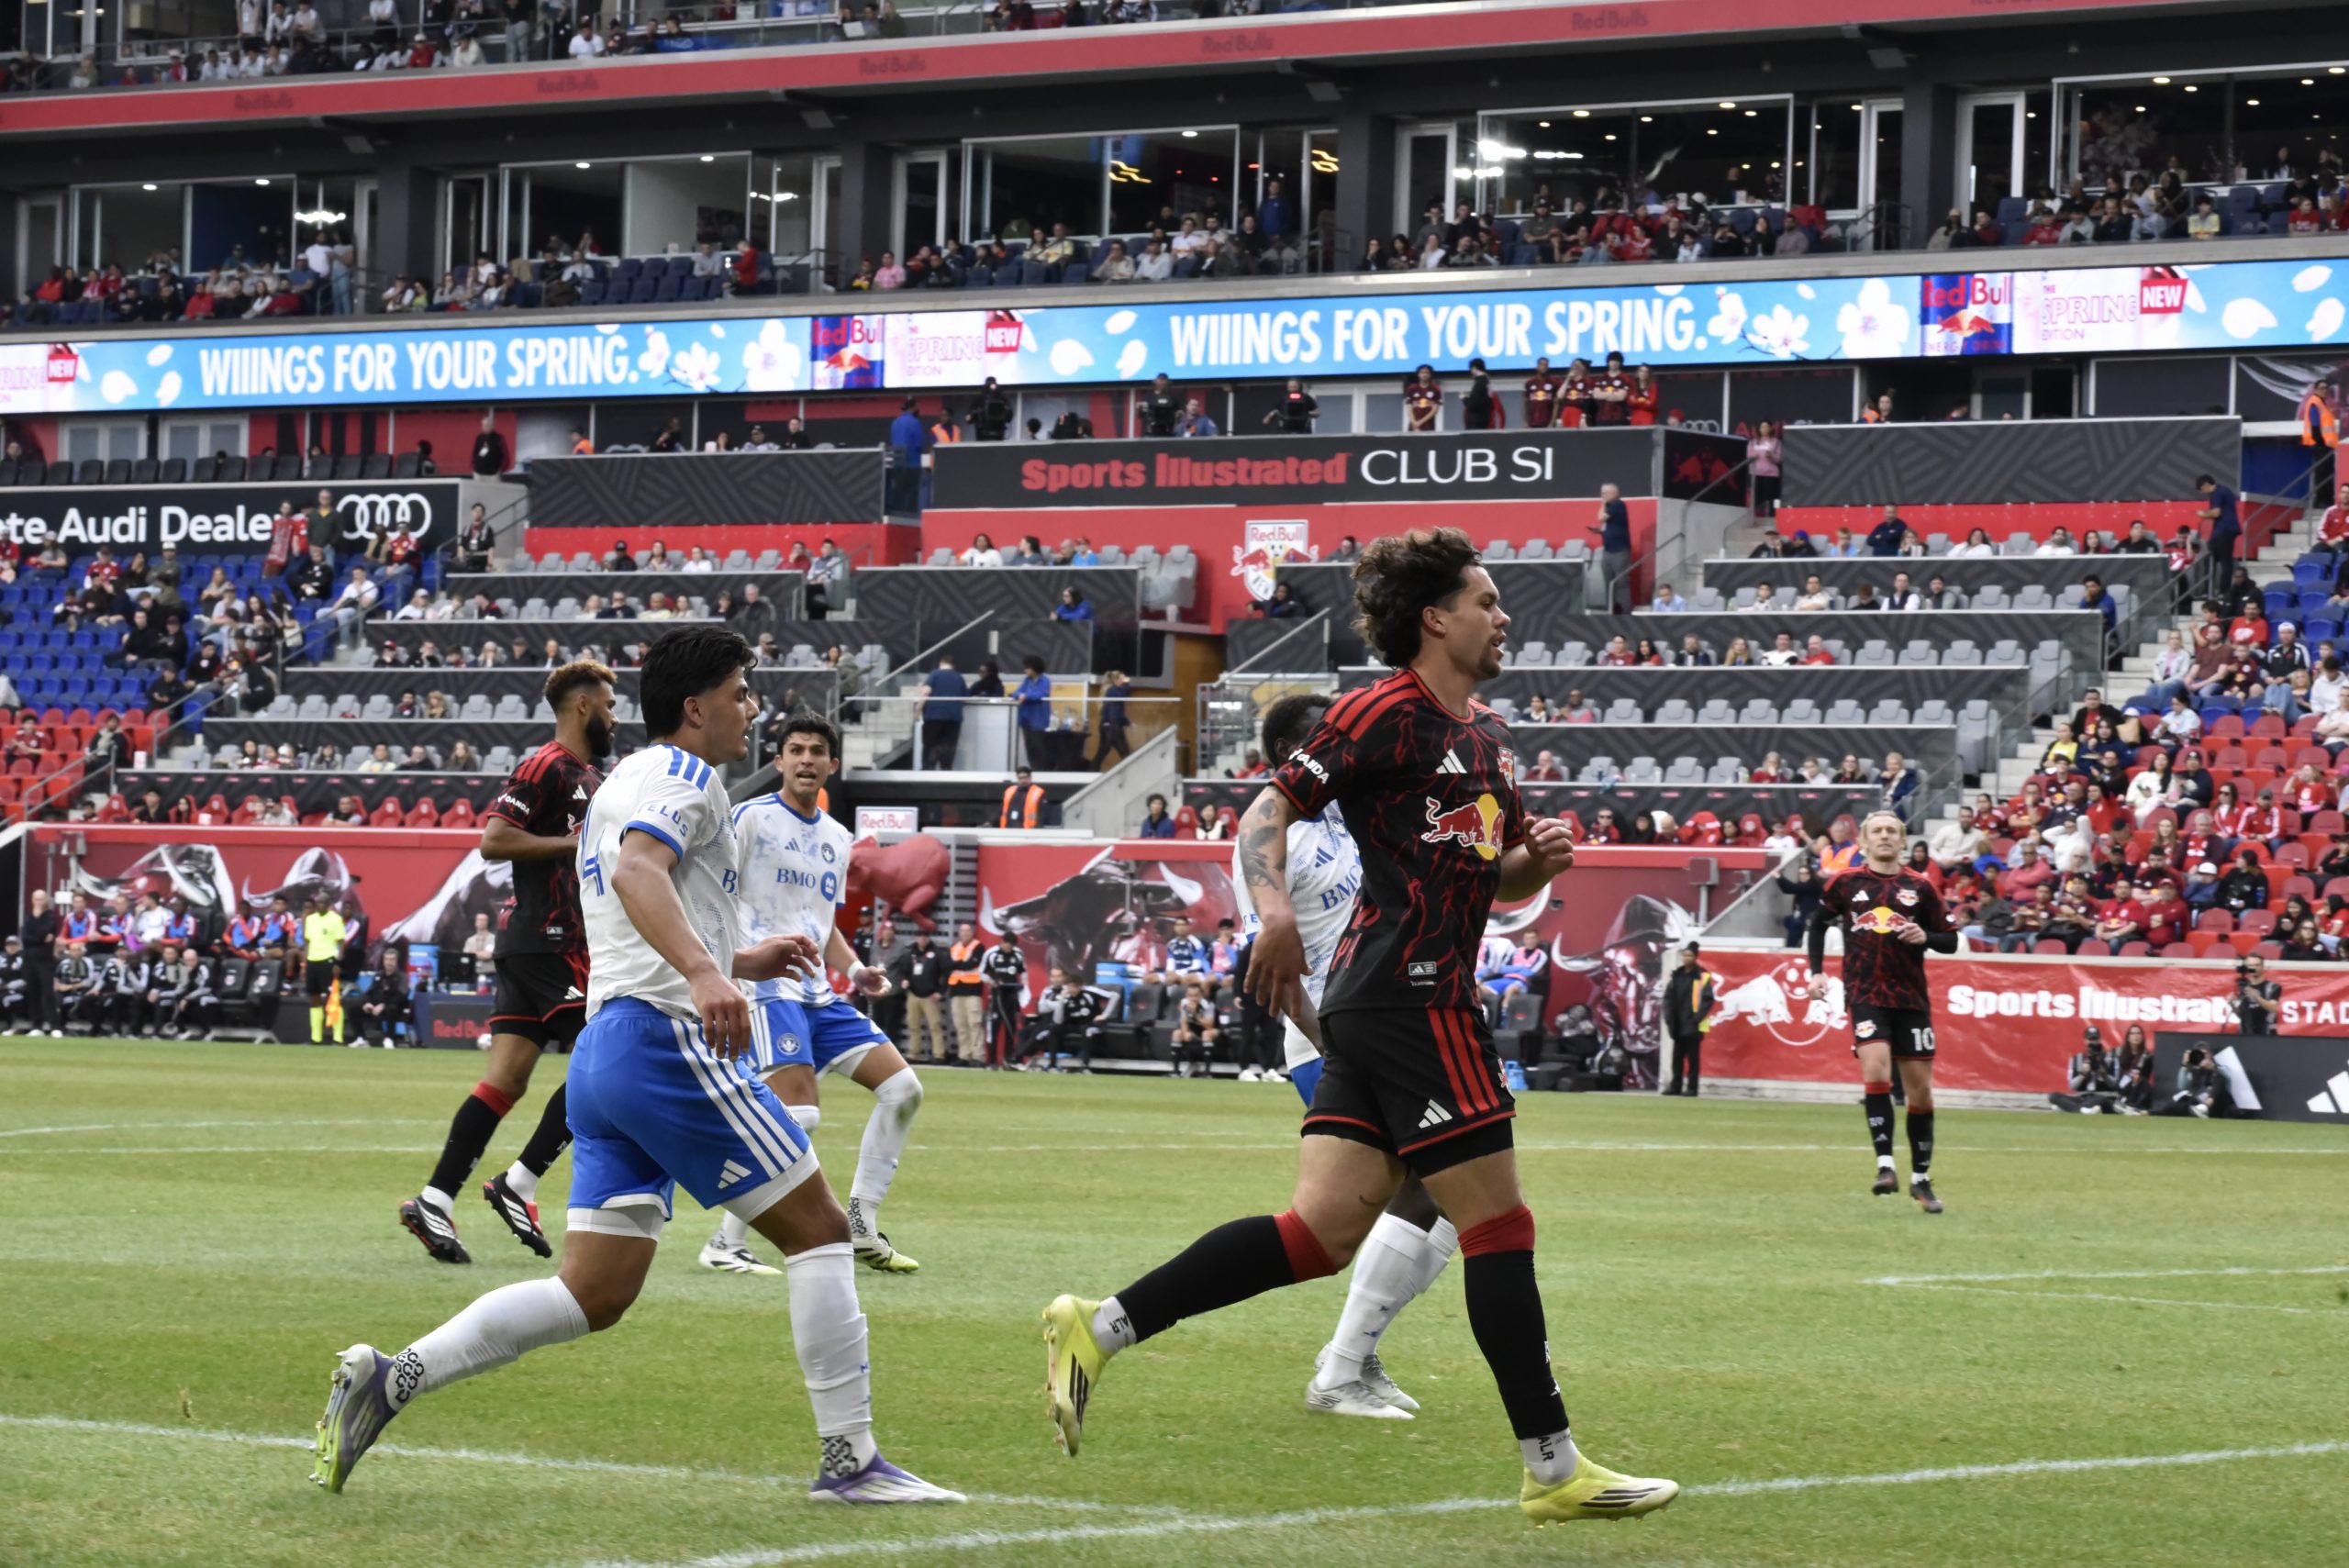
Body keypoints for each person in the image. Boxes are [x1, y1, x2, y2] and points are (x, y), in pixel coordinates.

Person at [1041, 527, 1676, 1525]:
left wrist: (1537, 863)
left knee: (1320, 1231)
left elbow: (1494, 873)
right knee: (1498, 1223)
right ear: (1436, 618)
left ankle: (1099, 1325)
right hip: (1413, 996)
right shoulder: (1381, 712)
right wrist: (1276, 911)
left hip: (1382, 999)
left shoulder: (1485, 738)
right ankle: (1554, 1468)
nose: (1503, 617)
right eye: (1486, 600)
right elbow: (1263, 810)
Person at [314, 626, 956, 1504]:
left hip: (607, 1054)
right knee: (819, 1230)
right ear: (695, 709)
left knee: (594, 1290)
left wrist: (737, 958)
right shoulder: (685, 777)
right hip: (663, 1044)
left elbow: (645, 891)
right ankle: (851, 1463)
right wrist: (703, 972)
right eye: (741, 691)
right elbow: (638, 873)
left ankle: (393, 1376)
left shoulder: (624, 779)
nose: (752, 706)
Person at [1230, 691, 1452, 1418]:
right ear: (1306, 748)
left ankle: (1352, 1357)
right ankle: (1343, 1367)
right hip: (1331, 1041)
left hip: (1392, 1028)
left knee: (1453, 1198)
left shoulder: (1356, 819)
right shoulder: (1272, 839)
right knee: (1434, 1182)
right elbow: (1277, 967)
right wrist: (1334, 1045)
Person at [400, 661, 617, 1266]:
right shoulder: (545, 764)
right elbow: (493, 839)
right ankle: (519, 1181)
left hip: (539, 943)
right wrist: (572, 844)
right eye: (609, 703)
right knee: (606, 1060)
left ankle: (435, 1198)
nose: (616, 714)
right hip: (549, 941)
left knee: (506, 1081)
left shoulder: (592, 778)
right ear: (581, 706)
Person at [703, 713, 925, 1275]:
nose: (806, 759)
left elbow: (822, 924)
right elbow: (712, 887)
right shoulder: (749, 818)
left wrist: (855, 970)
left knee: (903, 1090)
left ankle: (860, 1222)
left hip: (819, 992)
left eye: (816, 751)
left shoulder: (837, 837)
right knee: (798, 1114)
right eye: (795, 750)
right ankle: (725, 1242)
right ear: (778, 762)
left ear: (832, 764)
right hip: (765, 984)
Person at [1808, 810, 1961, 1212]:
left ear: (1902, 840)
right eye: (1877, 831)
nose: (1886, 837)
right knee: (1874, 1066)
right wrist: (1815, 974)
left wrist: (1926, 935)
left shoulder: (1920, 887)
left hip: (1910, 998)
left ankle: (1922, 1180)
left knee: (1920, 1091)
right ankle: (1885, 1166)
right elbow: (1816, 924)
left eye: (1892, 831)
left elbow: (1950, 941)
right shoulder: (1846, 882)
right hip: (1865, 992)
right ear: (1864, 841)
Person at [1660, 942, 1714, 1097]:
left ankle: (1692, 1087)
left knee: (1693, 1059)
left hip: (1693, 1023)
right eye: (1684, 955)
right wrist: (1669, 1017)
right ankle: (1675, 1085)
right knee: (1677, 1057)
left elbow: (1708, 1000)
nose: (1686, 958)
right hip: (1677, 1022)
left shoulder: (1702, 976)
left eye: (1690, 955)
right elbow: (1668, 998)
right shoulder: (1677, 975)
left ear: (1696, 957)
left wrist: (1696, 1019)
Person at [889, 930, 951, 1064]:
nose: (922, 939)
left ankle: (939, 1055)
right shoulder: (910, 954)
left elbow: (946, 974)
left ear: (928, 938)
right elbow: (903, 970)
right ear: (916, 938)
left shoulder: (937, 954)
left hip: (930, 995)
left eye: (925, 937)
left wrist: (940, 992)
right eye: (920, 937)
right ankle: (913, 1053)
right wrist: (905, 980)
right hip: (913, 994)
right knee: (913, 1025)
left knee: (935, 1025)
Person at [981, 927, 1027, 1068]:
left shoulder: (1018, 954)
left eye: (1011, 946)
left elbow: (1023, 972)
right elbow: (981, 973)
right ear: (1002, 942)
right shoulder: (992, 953)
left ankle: (1007, 1059)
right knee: (994, 1028)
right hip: (997, 996)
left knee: (1010, 1027)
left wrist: (1023, 984)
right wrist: (992, 982)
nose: (1009, 948)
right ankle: (992, 1061)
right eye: (1007, 945)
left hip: (1012, 995)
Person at [946, 920, 988, 1065]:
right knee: (960, 1025)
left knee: (975, 1024)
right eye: (962, 931)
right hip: (956, 990)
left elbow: (973, 963)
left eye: (967, 931)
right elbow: (947, 965)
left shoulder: (978, 946)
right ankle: (964, 1055)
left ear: (972, 932)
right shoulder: (954, 947)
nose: (964, 934)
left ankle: (978, 1056)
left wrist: (958, 964)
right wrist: (961, 964)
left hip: (972, 990)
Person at [918, 656, 967, 769]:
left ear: (941, 663)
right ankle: (946, 772)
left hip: (933, 716)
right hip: (953, 717)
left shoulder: (935, 674)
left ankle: (927, 771)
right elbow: (965, 696)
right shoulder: (959, 677)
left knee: (930, 747)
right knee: (948, 749)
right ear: (953, 665)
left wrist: (917, 711)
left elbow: (925, 692)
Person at [1590, 482, 1632, 614]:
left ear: (1613, 493)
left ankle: (1626, 610)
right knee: (1608, 582)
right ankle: (1612, 609)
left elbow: (1601, 517)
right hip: (1608, 550)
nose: (1601, 495)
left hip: (1619, 551)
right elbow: (1607, 524)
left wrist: (1602, 503)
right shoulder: (1610, 507)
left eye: (1604, 493)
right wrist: (1600, 532)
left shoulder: (1618, 505)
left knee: (1621, 582)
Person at [2195, 473, 2241, 595]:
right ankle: (2211, 589)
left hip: (2223, 531)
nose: (2203, 493)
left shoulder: (2217, 493)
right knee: (2212, 559)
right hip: (2224, 531)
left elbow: (2216, 513)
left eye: (2202, 489)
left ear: (2206, 485)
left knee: (2224, 561)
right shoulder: (2224, 491)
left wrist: (2202, 514)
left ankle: (2221, 590)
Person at [2231, 953, 2281, 1035]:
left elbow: (2272, 1008)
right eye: (2250, 965)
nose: (2253, 968)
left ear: (2262, 967)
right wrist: (2232, 1004)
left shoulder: (2272, 987)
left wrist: (2256, 997)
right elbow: (2241, 1014)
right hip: (2245, 1032)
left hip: (2266, 1032)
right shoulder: (2242, 986)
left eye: (2257, 965)